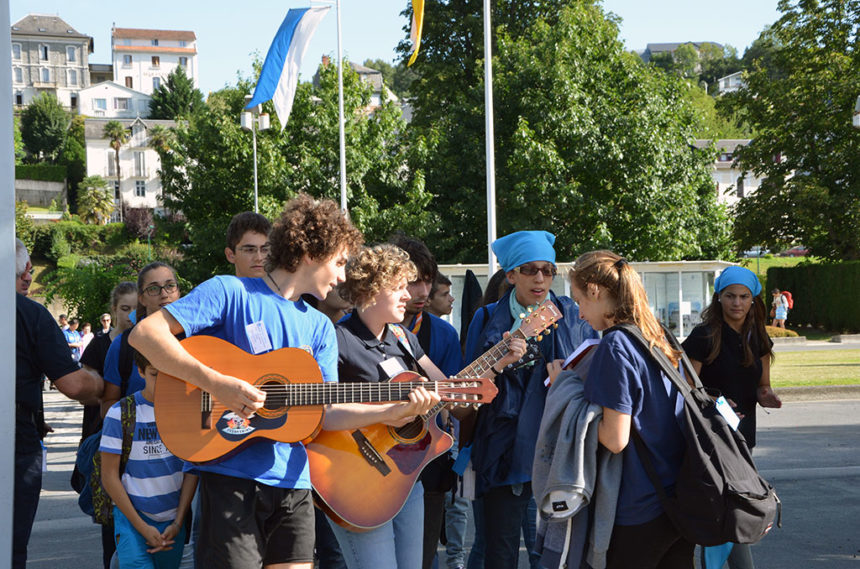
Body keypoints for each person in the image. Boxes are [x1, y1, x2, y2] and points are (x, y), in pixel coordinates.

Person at [129, 194, 441, 569]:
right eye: (339, 262)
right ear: (313, 253)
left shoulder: (320, 326)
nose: (343, 276)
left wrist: (392, 411)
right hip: (229, 476)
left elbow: (326, 413)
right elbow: (146, 336)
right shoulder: (230, 292)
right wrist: (218, 384)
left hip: (294, 482)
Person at [325, 243, 524, 569]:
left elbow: (451, 391)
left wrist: (498, 361)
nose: (409, 295)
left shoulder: (403, 338)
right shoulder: (338, 339)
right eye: (399, 287)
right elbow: (324, 416)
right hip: (356, 479)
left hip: (406, 479)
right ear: (372, 289)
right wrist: (392, 412)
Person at [463, 231, 597, 569]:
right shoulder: (486, 317)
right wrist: (498, 363)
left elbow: (596, 371)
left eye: (547, 270)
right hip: (502, 452)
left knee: (555, 555)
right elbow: (466, 386)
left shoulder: (571, 313)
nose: (540, 278)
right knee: (500, 553)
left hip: (559, 452)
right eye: (529, 270)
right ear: (510, 276)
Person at [563, 249, 693, 569]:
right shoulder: (658, 335)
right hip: (680, 499)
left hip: (639, 506)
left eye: (579, 300)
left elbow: (616, 438)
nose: (579, 313)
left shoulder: (615, 345)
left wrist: (566, 393)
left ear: (595, 291)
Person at [682, 266, 782, 569]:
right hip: (711, 439)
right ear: (719, 298)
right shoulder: (704, 335)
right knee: (726, 508)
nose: (737, 303)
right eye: (730, 296)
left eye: (743, 297)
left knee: (731, 507)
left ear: (753, 300)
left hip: (742, 439)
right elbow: (685, 386)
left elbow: (762, 386)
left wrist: (768, 397)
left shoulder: (758, 337)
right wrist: (714, 402)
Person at [15, 241, 105, 569]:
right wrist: (107, 387)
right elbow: (73, 383)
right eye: (28, 271)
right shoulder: (29, 314)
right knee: (11, 539)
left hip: (24, 421)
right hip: (15, 440)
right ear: (24, 273)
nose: (29, 277)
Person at [387, 236, 466, 569]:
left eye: (427, 281)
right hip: (367, 461)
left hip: (429, 460)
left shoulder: (443, 335)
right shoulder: (354, 333)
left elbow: (455, 401)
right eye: (412, 282)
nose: (420, 292)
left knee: (423, 556)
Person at [100, 349, 199, 569]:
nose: (163, 381)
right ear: (141, 371)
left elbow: (191, 470)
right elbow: (108, 476)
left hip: (173, 520)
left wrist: (178, 521)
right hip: (131, 517)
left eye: (169, 373)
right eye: (155, 374)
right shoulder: (120, 413)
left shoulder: (186, 414)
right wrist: (142, 527)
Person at [79, 281, 138, 569]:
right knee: (111, 520)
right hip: (104, 437)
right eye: (125, 308)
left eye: (135, 309)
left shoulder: (146, 341)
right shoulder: (101, 346)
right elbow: (86, 394)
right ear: (113, 310)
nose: (130, 315)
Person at [101, 263, 182, 417]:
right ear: (141, 299)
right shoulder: (123, 345)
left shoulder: (199, 338)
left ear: (178, 291)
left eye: (170, 286)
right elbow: (109, 403)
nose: (164, 294)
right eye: (153, 288)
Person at [225, 211, 272, 278]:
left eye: (264, 250)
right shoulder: (218, 287)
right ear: (231, 255)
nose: (259, 258)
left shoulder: (286, 287)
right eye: (250, 250)